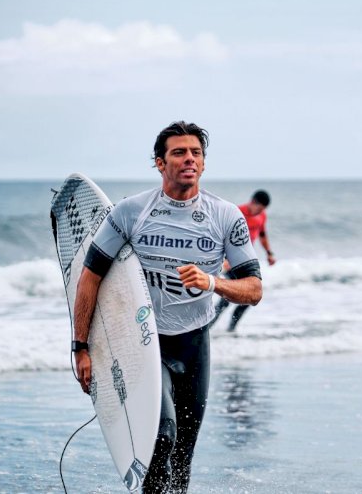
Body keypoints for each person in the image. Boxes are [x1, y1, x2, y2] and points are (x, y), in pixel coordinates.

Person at [71, 121, 263, 493]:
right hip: (145, 344)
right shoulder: (130, 213)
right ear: (160, 163)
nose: (188, 159)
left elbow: (254, 289)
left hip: (195, 344)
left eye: (196, 153)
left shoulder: (225, 217)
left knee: (184, 455)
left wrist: (213, 283)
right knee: (161, 438)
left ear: (204, 164)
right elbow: (90, 277)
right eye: (178, 152)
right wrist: (81, 346)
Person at [212, 190, 276, 332]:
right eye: (259, 208)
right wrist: (224, 259)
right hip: (229, 261)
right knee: (227, 297)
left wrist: (269, 253)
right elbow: (220, 237)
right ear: (253, 202)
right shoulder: (236, 213)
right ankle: (207, 330)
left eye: (263, 210)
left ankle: (231, 329)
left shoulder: (261, 216)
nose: (260, 212)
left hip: (245, 262)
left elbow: (262, 235)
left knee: (248, 298)